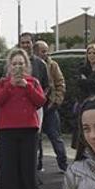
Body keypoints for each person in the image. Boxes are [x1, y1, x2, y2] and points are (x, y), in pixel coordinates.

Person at [0, 49, 48, 189]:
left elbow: (40, 101)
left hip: (29, 130)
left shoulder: (33, 82)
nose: (17, 67)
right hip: (6, 130)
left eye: (20, 63)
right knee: (8, 170)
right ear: (9, 66)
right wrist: (10, 86)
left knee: (28, 170)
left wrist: (27, 86)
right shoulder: (2, 83)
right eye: (14, 64)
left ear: (26, 65)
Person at [34, 40, 69, 172]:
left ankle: (63, 164)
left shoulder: (52, 65)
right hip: (37, 107)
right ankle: (38, 164)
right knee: (37, 138)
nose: (46, 53)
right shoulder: (33, 65)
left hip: (50, 106)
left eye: (46, 50)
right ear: (36, 51)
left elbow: (60, 83)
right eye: (43, 51)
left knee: (56, 137)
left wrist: (56, 101)